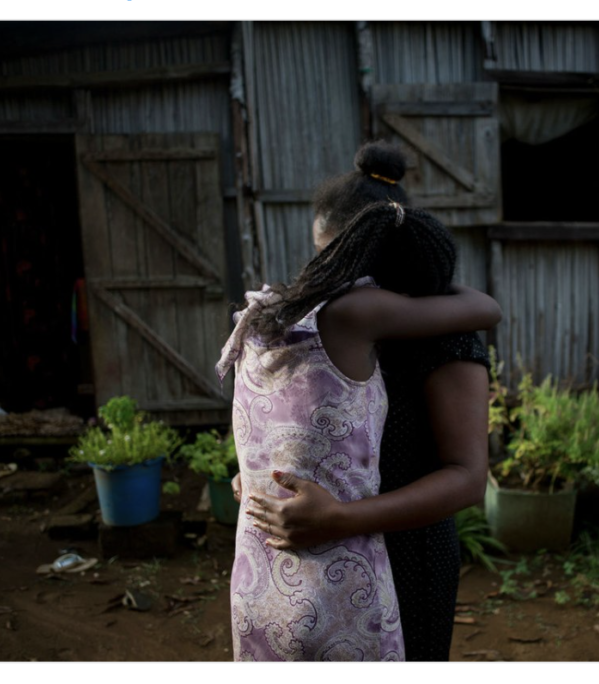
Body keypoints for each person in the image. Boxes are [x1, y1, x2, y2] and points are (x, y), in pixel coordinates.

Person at [235, 141, 494, 661]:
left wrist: (342, 519)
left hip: (405, 554)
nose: (324, 268)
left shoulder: (447, 335)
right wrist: (264, 472)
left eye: (331, 252)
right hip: (314, 550)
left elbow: (467, 477)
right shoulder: (327, 323)